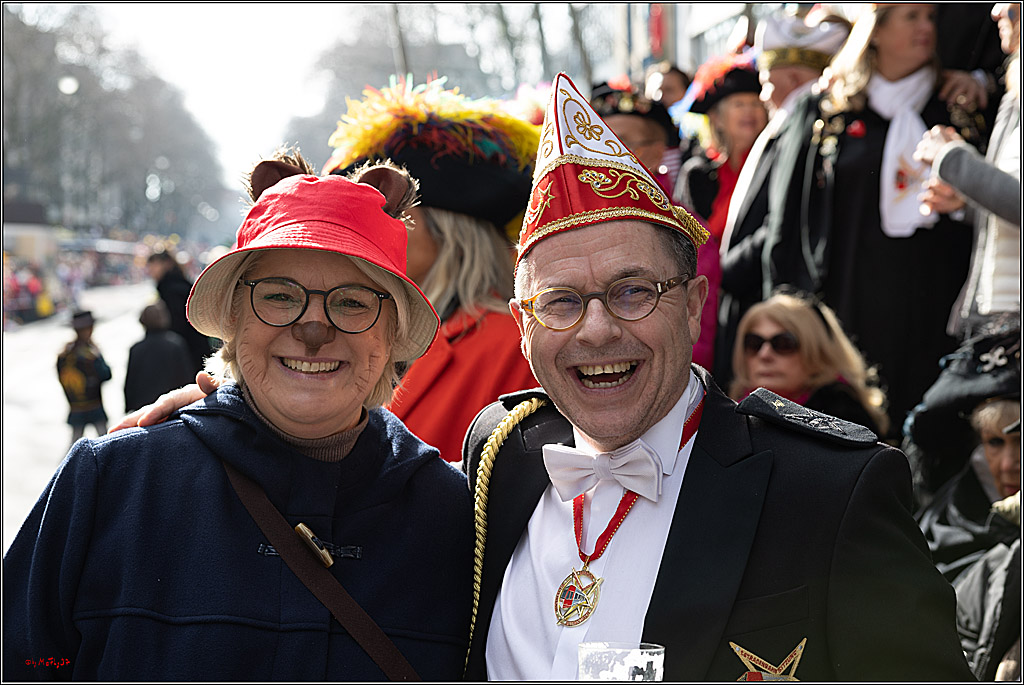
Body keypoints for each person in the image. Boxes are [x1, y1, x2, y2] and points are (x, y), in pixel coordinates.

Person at [460, 71, 972, 681]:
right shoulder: (500, 455)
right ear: (523, 323)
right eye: (561, 302)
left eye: (632, 292)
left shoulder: (830, 491)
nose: (595, 331)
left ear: (694, 302)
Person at [3, 161, 473, 680]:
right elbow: (29, 664)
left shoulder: (456, 517)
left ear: (392, 338)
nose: (313, 328)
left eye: (353, 302)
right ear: (232, 319)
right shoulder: (110, 488)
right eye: (278, 296)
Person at [762, 3, 978, 441]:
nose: (926, 28)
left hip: (929, 315)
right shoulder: (827, 111)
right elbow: (787, 225)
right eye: (911, 16)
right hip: (843, 309)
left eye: (931, 18)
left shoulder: (957, 108)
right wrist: (788, 323)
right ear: (875, 30)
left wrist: (960, 203)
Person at [321, 77, 538, 463]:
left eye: (387, 212)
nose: (365, 230)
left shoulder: (518, 347)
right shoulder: (355, 331)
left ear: (448, 231)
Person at [715, 9, 850, 387]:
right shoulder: (787, 123)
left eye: (765, 81)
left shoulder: (803, 124)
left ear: (791, 77)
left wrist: (721, 270)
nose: (761, 94)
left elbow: (781, 222)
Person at [588, 79, 720, 371]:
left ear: (656, 151)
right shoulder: (572, 223)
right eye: (593, 143)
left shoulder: (687, 229)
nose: (601, 154)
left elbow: (696, 338)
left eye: (618, 142)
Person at [915, 1, 1020, 341]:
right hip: (996, 322)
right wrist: (964, 203)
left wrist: (951, 157)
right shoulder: (1014, 90)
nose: (996, 11)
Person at [729, 291, 888, 436]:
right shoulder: (726, 416)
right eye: (754, 343)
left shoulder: (846, 422)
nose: (764, 355)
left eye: (784, 343)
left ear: (817, 352)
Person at [673, 50, 768, 246]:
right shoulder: (697, 174)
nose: (749, 111)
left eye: (756, 103)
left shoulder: (772, 164)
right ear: (716, 118)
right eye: (739, 104)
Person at [146, 249, 216, 375]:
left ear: (166, 264)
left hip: (187, 355)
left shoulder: (172, 289)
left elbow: (177, 326)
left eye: (153, 265)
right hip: (192, 352)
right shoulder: (176, 284)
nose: (150, 270)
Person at [123, 301, 195, 413]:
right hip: (171, 406)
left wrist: (128, 407)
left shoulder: (136, 349)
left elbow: (131, 382)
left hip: (144, 409)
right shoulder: (176, 344)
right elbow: (185, 377)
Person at [56, 310, 112, 445]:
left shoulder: (66, 353)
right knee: (104, 443)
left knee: (103, 442)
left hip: (81, 407)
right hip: (87, 406)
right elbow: (106, 374)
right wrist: (96, 359)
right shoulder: (87, 353)